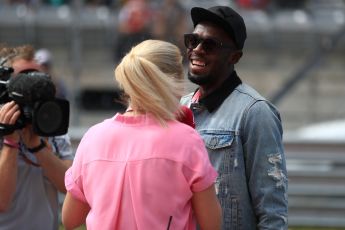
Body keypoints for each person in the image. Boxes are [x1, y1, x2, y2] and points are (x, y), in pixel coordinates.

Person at [62, 39, 221, 230]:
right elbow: (211, 224)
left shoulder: (93, 137)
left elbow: (70, 218)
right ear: (175, 81)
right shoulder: (186, 140)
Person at [180, 6, 288, 229]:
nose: (197, 50)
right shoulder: (181, 107)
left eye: (209, 45)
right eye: (193, 40)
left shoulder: (256, 112)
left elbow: (273, 212)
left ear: (234, 57)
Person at [0, 45, 74, 230]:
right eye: (24, 77)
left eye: (37, 76)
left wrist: (38, 148)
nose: (34, 86)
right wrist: (10, 142)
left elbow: (70, 186)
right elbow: (2, 202)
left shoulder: (51, 124)